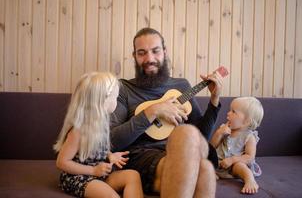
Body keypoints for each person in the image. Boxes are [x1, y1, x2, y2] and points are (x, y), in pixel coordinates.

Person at [110, 27, 224, 198]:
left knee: (205, 167)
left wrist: (214, 100)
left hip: (181, 154)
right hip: (141, 156)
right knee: (193, 148)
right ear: (134, 56)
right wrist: (153, 111)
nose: (149, 59)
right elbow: (112, 141)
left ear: (164, 52)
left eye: (155, 51)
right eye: (142, 53)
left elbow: (202, 138)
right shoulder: (123, 89)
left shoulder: (182, 86)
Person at [53, 72, 144, 198]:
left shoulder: (103, 123)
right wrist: (93, 171)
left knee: (133, 175)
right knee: (112, 196)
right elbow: (62, 162)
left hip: (99, 175)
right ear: (102, 101)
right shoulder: (78, 132)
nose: (117, 101)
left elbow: (97, 148)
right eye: (115, 97)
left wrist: (110, 156)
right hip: (80, 178)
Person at [210, 97, 264, 194]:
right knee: (204, 160)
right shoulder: (224, 129)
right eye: (230, 110)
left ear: (246, 121)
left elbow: (249, 157)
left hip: (235, 166)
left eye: (233, 112)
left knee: (239, 166)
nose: (228, 113)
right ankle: (211, 173)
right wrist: (219, 133)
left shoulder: (249, 137)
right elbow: (211, 147)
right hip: (219, 163)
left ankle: (249, 180)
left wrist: (232, 160)